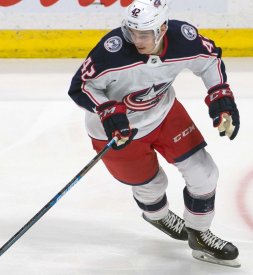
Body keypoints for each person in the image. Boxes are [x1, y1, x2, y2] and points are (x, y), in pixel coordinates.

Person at [68, 0, 240, 267]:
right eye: (132, 32)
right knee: (152, 185)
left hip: (164, 112)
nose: (137, 40)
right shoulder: (111, 51)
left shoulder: (184, 39)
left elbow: (209, 61)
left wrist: (220, 97)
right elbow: (81, 86)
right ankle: (157, 216)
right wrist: (107, 110)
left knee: (204, 173)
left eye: (145, 34)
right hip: (116, 130)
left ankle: (200, 235)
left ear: (162, 29)